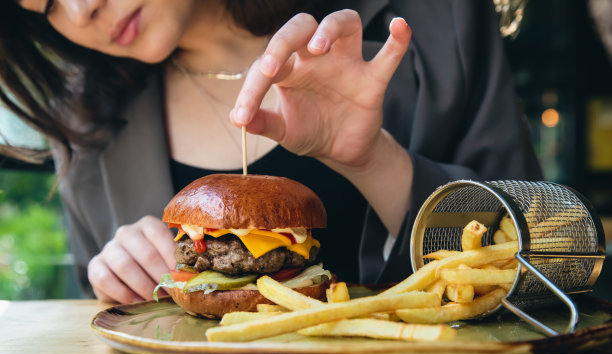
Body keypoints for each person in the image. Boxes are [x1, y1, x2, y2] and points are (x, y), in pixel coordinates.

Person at [0, 0, 542, 303]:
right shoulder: (84, 135)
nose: (81, 8)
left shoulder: (435, 19)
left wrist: (376, 161)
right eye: (45, 4)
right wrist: (116, 277)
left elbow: (551, 264)